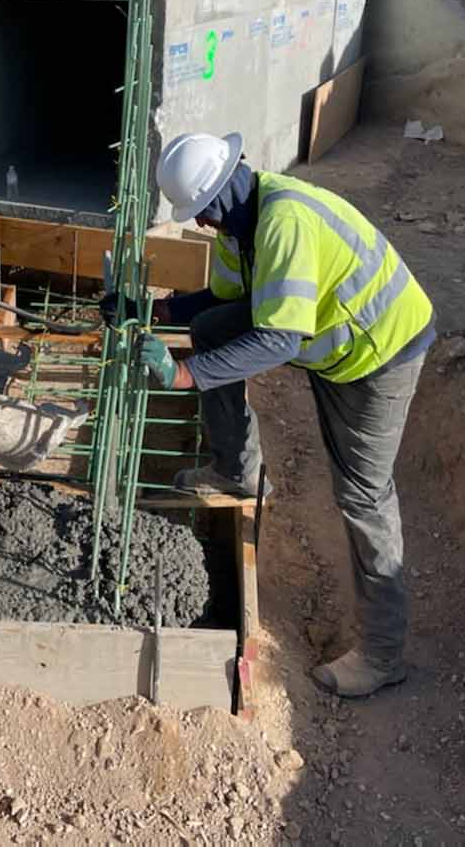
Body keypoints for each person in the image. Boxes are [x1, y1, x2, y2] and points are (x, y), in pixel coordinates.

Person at [106, 131, 435, 698]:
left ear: (227, 186)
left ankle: (383, 655)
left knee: (363, 495)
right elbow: (223, 305)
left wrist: (186, 374)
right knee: (209, 332)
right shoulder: (239, 223)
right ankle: (237, 468)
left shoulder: (284, 221)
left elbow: (279, 337)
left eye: (202, 212)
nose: (201, 225)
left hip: (381, 351)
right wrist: (153, 307)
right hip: (335, 346)